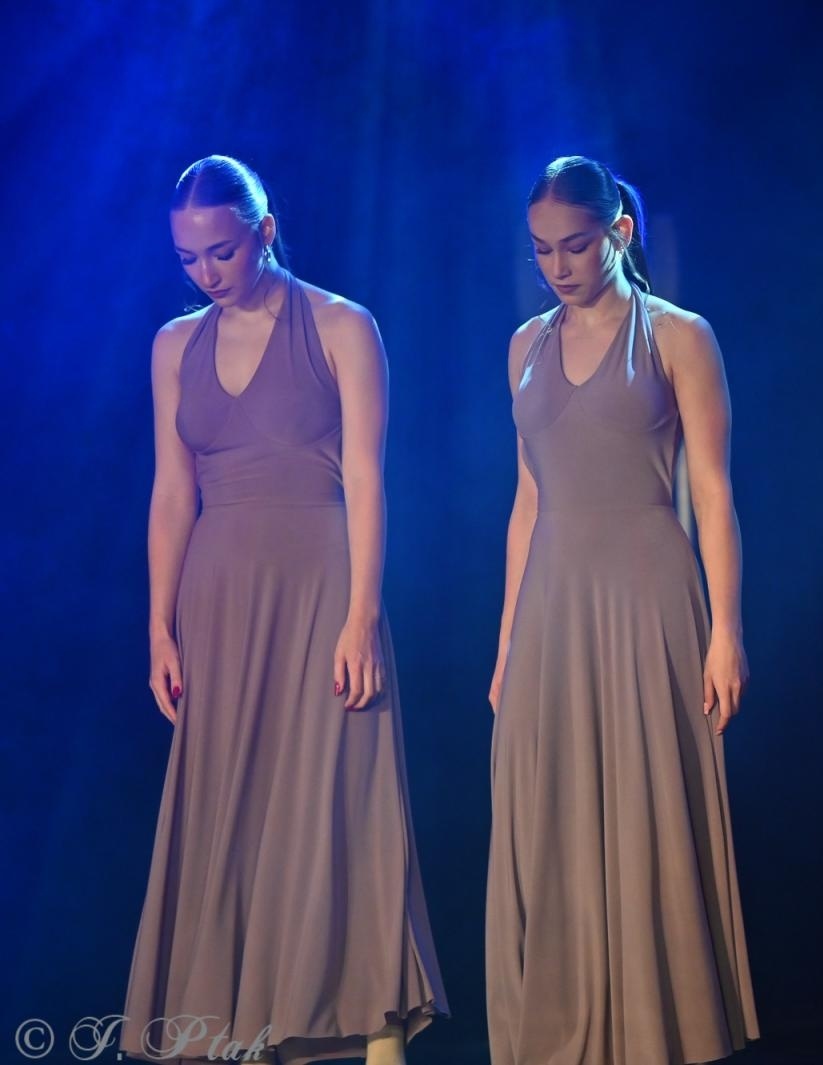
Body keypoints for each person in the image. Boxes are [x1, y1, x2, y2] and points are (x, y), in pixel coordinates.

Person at [124, 155, 447, 1065]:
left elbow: (368, 480)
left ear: (265, 229)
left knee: (341, 808)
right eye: (188, 259)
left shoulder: (342, 325)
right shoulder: (171, 344)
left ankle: (374, 1040)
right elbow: (171, 494)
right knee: (231, 813)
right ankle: (234, 1037)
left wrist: (360, 613)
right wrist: (158, 625)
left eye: (221, 251)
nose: (206, 273)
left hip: (319, 588)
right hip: (218, 600)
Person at [484, 155, 759, 1065]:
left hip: (647, 588)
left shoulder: (678, 336)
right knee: (548, 813)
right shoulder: (524, 345)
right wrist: (503, 644)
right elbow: (526, 501)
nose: (558, 266)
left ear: (619, 232)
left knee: (649, 810)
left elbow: (713, 494)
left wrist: (727, 632)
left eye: (574, 245)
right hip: (553, 595)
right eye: (541, 251)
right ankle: (563, 1032)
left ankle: (656, 1031)